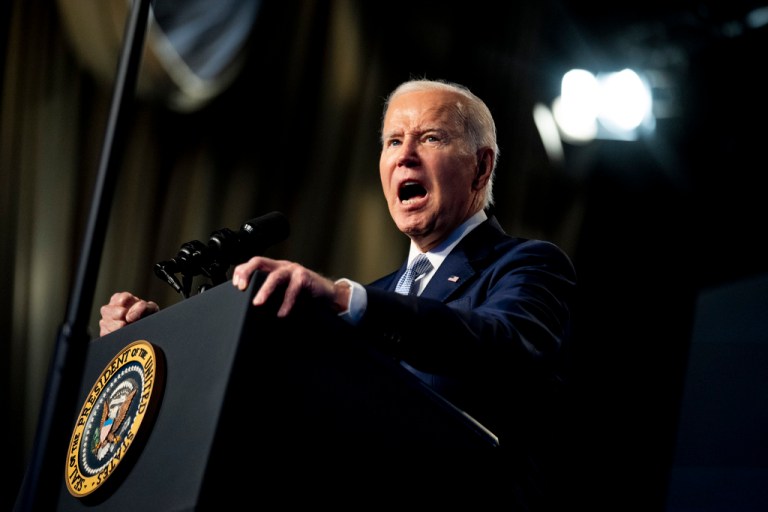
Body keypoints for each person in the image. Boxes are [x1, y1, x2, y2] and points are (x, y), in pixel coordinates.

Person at [99, 78, 577, 508]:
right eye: (393, 141)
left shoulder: (526, 264)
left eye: (430, 137)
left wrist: (348, 302)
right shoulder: (371, 299)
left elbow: (502, 342)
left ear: (480, 167)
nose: (404, 155)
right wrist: (164, 352)